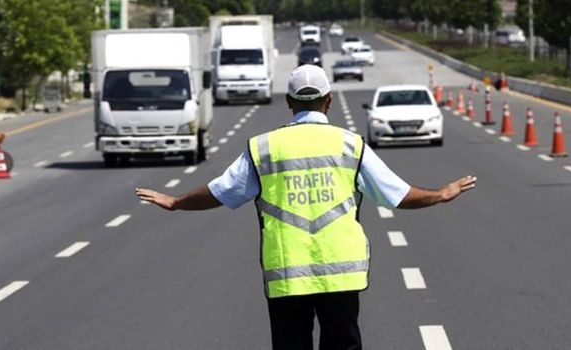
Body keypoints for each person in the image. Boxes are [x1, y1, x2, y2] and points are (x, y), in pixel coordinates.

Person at [136, 64, 476, 350]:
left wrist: (176, 202)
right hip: (341, 274)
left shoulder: (264, 148)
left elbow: (221, 192)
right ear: (328, 101)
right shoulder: (350, 145)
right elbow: (398, 195)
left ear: (289, 102)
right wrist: (441, 193)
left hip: (287, 274)